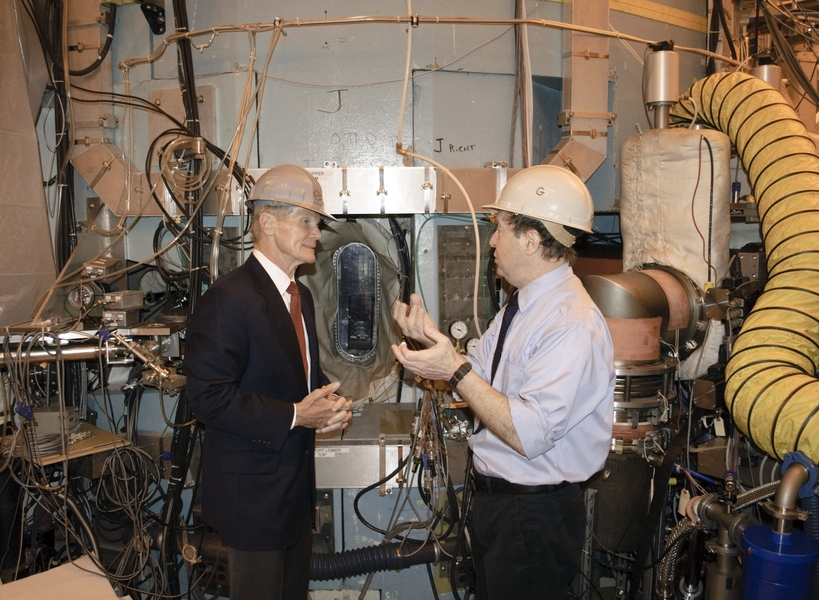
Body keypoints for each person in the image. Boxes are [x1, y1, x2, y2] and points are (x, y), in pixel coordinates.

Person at [391, 165, 615, 600]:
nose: (492, 240)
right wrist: (432, 345)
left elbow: (525, 432)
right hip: (501, 507)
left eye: (501, 228)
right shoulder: (524, 305)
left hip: (533, 516)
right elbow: (477, 374)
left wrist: (451, 369)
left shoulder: (571, 323)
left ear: (532, 240)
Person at [184, 164, 353, 600]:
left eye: (318, 223)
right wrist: (299, 415)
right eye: (306, 221)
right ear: (266, 222)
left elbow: (298, 376)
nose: (317, 233)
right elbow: (208, 398)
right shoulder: (228, 299)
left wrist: (328, 405)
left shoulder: (301, 295)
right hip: (253, 498)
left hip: (292, 492)